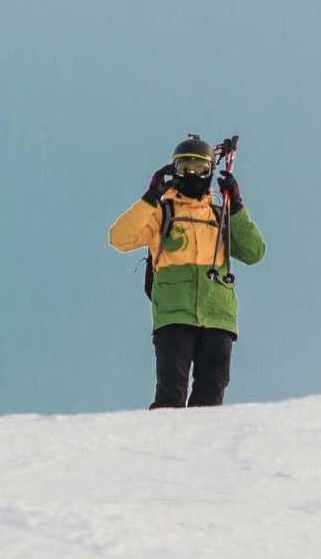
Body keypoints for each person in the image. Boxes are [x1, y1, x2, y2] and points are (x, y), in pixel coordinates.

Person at [109, 137, 265, 409]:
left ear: (210, 172)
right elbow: (120, 238)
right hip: (175, 313)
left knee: (211, 392)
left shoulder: (219, 216)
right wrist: (150, 197)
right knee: (171, 391)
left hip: (217, 317)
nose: (192, 175)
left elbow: (254, 252)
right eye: (185, 169)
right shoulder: (162, 213)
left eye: (200, 169)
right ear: (173, 172)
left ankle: (201, 447)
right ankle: (165, 442)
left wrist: (237, 206)